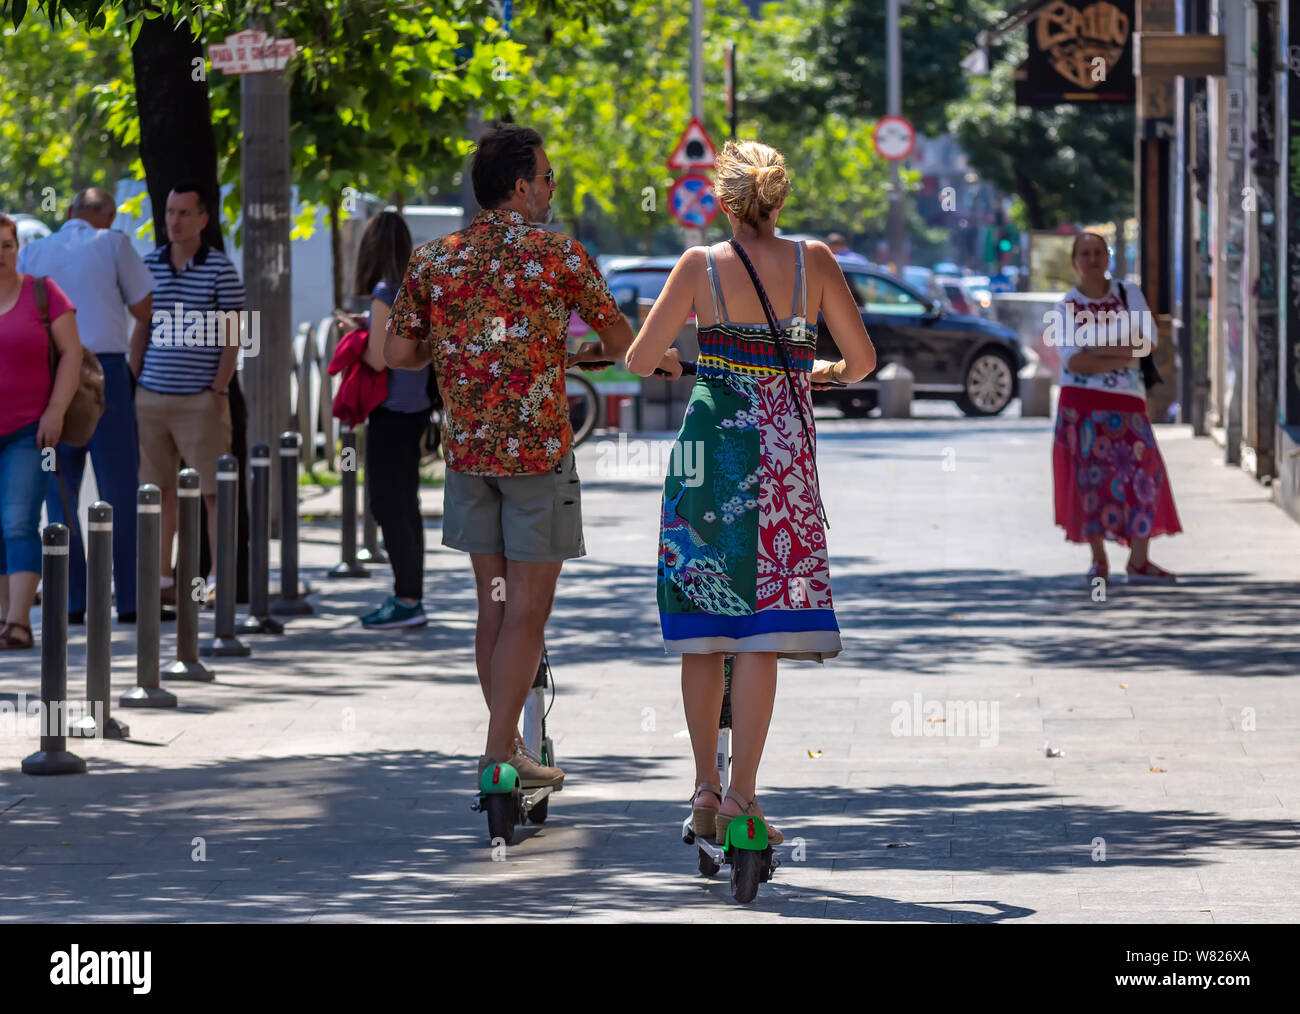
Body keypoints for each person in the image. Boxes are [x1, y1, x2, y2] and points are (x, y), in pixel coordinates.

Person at [624, 140, 876, 842]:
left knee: (705, 633)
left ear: (723, 203)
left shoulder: (698, 266)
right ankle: (742, 799)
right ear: (780, 198)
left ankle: (703, 786)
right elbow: (862, 361)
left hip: (710, 454)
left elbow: (640, 357)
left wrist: (679, 361)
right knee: (761, 634)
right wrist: (814, 371)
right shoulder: (814, 264)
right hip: (784, 458)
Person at [385, 123, 649, 789]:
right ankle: (501, 752)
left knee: (493, 606)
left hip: (470, 454)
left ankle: (507, 752)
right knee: (528, 611)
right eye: (549, 179)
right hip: (537, 455)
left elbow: (398, 354)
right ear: (523, 186)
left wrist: (453, 344)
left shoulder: (433, 259)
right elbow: (623, 343)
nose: (552, 191)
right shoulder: (557, 255)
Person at [18, 188, 157, 624]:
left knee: (59, 494)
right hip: (105, 371)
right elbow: (144, 306)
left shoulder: (35, 251)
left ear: (70, 212)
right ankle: (131, 599)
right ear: (109, 217)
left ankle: (71, 600)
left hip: (51, 373)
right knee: (120, 490)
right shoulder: (113, 244)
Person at [131, 182, 245, 605]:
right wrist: (134, 380)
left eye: (183, 213)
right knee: (157, 490)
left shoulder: (219, 269)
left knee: (213, 491)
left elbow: (234, 333)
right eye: (169, 212)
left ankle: (217, 578)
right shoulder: (148, 266)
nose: (174, 222)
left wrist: (218, 387)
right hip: (153, 395)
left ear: (202, 219)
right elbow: (142, 327)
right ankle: (162, 580)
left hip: (200, 398)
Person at [1050, 231, 1181, 583]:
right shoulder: (1067, 307)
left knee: (1144, 474)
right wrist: (1123, 352)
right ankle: (1099, 560)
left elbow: (1147, 342)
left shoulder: (1128, 294)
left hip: (1127, 403)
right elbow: (1072, 362)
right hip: (1081, 406)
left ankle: (1139, 559)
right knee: (1089, 482)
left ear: (1107, 258)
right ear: (1075, 262)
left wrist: (1096, 352)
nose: (1092, 259)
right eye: (1085, 253)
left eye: (1098, 252)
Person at [0, 214, 84, 649]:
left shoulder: (42, 292)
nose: (1, 255)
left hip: (28, 431)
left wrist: (55, 410)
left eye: (7, 245)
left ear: (18, 248)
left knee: (17, 521)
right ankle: (4, 619)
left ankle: (19, 622)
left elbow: (71, 352)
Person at [353, 211, 432, 629]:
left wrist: (359, 333)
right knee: (406, 502)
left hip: (390, 410)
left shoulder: (385, 291)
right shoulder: (414, 287)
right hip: (415, 408)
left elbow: (377, 358)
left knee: (387, 504)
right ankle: (410, 594)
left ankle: (407, 599)